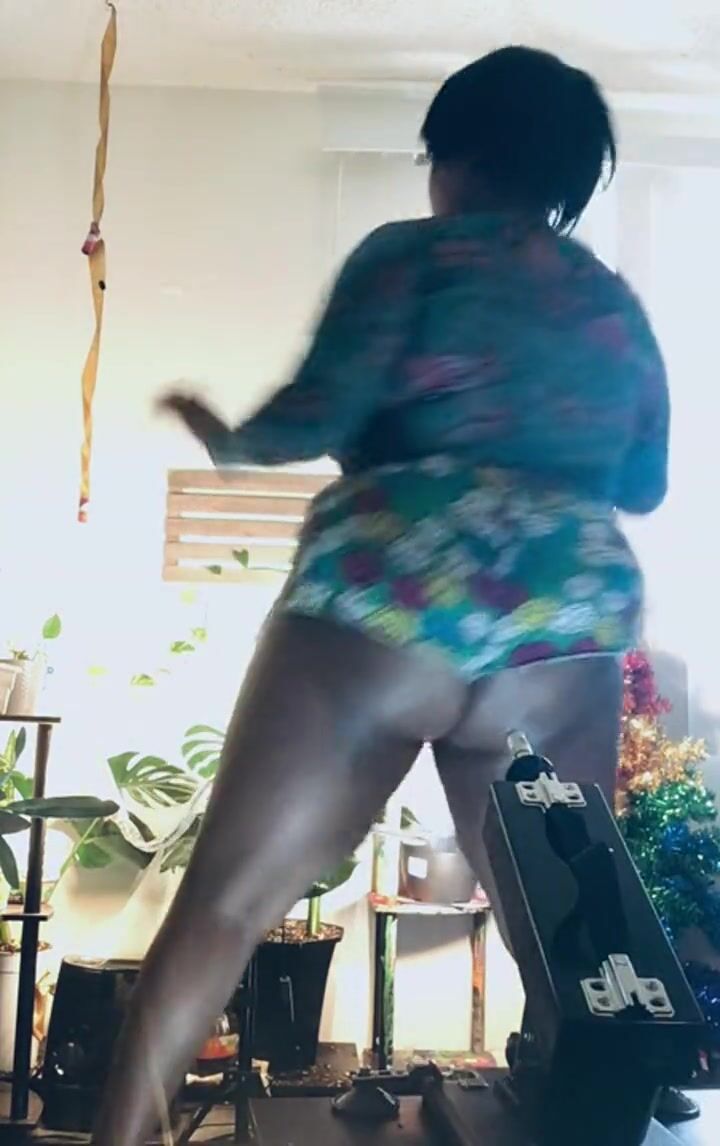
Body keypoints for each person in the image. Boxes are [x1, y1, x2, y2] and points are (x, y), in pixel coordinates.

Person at [92, 46, 668, 1144]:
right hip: (560, 625)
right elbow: (643, 482)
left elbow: (317, 408)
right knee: (571, 960)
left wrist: (229, 435)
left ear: (452, 155)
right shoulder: (610, 305)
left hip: (395, 589)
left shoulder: (412, 255)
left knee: (225, 903)